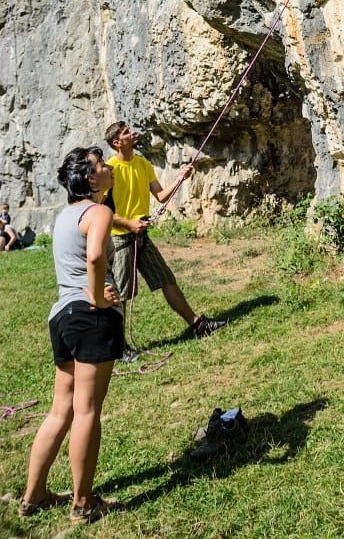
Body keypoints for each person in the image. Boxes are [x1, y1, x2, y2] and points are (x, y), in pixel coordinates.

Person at [20, 147, 123, 524]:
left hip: (62, 317)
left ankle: (33, 495)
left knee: (61, 409)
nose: (107, 166)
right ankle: (83, 503)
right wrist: (98, 295)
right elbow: (95, 257)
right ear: (90, 178)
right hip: (91, 317)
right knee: (87, 410)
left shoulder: (67, 215)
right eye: (100, 165)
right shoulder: (98, 211)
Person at [104, 121, 226, 361]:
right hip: (120, 240)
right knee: (121, 293)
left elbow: (160, 196)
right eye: (126, 132)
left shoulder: (143, 164)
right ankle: (118, 346)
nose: (132, 133)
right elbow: (102, 211)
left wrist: (180, 177)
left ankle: (197, 326)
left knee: (166, 279)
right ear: (116, 143)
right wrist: (128, 224)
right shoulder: (109, 169)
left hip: (142, 236)